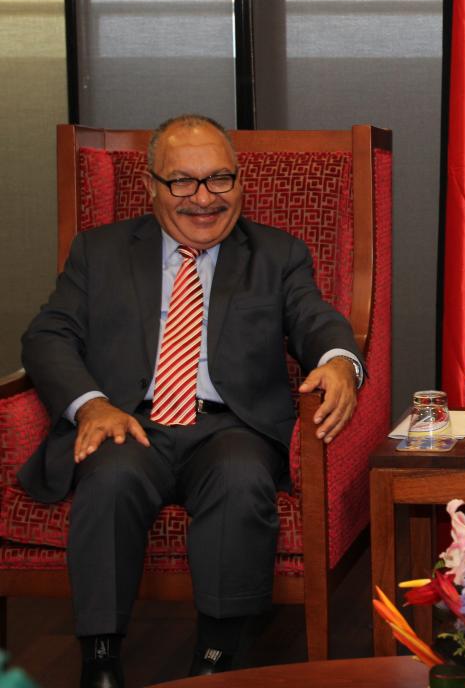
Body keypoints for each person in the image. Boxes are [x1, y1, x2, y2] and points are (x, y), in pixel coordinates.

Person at [19, 115, 364, 688]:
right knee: (108, 475)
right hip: (131, 421)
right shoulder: (99, 252)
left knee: (240, 476)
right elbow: (47, 336)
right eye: (182, 182)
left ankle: (215, 660)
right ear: (151, 186)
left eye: (219, 179)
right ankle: (100, 661)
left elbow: (317, 320)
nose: (203, 199)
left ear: (239, 183)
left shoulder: (277, 254)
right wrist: (92, 405)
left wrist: (338, 360)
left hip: (230, 427)